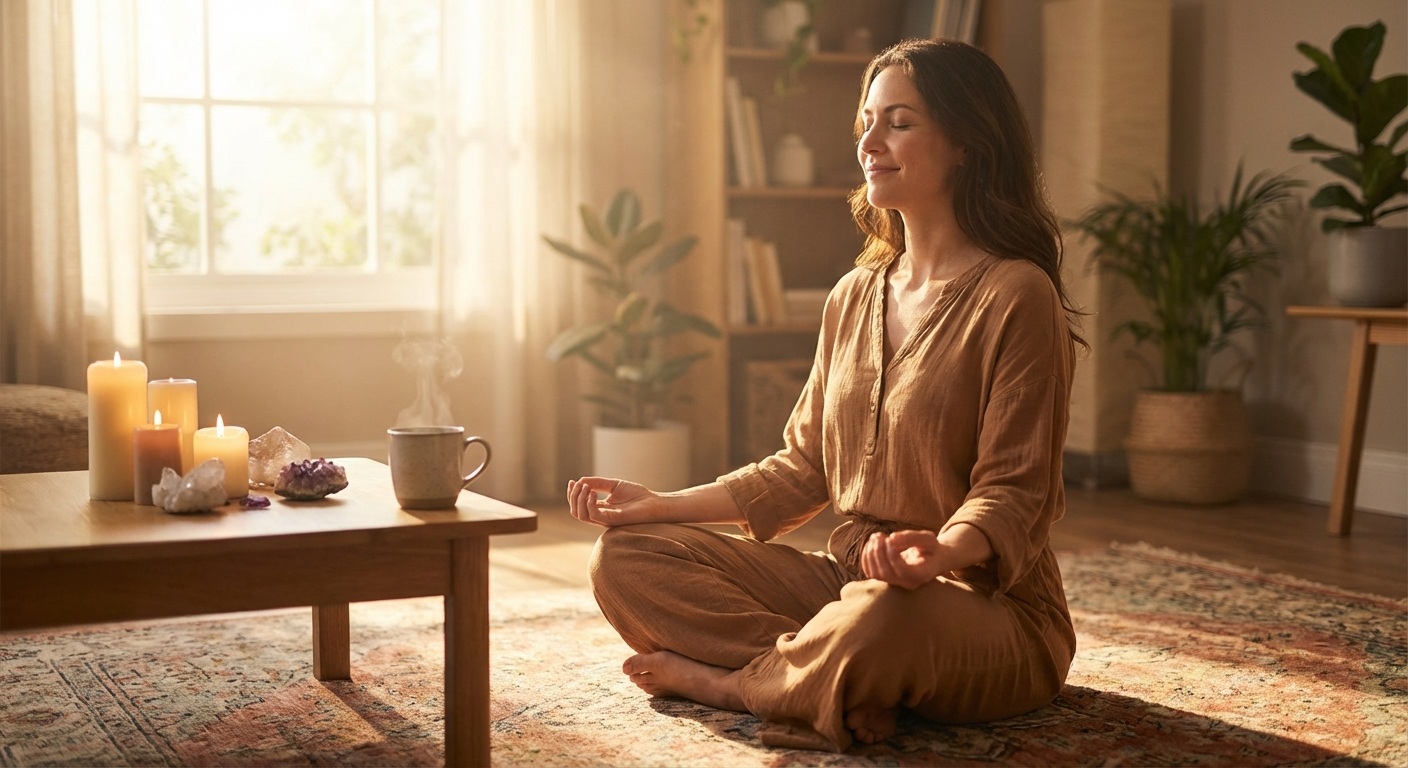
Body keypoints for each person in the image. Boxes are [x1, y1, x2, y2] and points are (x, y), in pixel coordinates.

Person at [565, 38, 1086, 753]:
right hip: (849, 583)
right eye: (866, 123)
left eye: (898, 121)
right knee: (624, 558)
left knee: (879, 615)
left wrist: (938, 554)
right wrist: (659, 506)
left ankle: (735, 684)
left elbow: (1015, 493)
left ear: (966, 141)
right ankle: (830, 681)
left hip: (982, 607)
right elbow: (801, 467)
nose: (870, 141)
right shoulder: (852, 296)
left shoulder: (1016, 294)